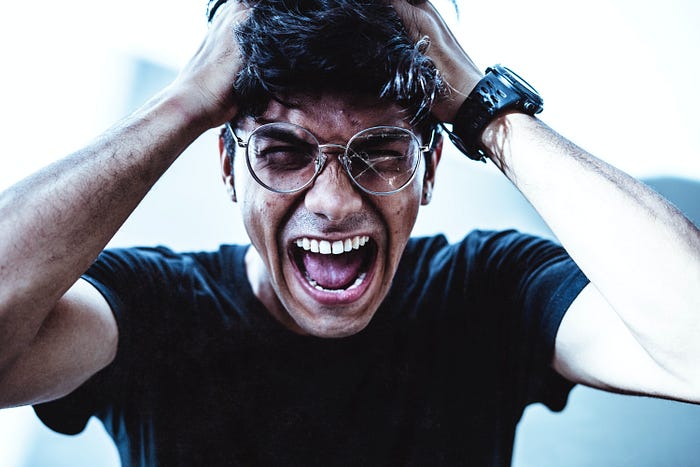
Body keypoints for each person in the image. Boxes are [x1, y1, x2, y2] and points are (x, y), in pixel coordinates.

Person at [0, 0, 698, 465]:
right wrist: (183, 104)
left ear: (428, 169)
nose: (334, 202)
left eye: (382, 153)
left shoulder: (493, 291)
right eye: (283, 151)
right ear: (229, 166)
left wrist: (480, 101)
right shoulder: (146, 307)